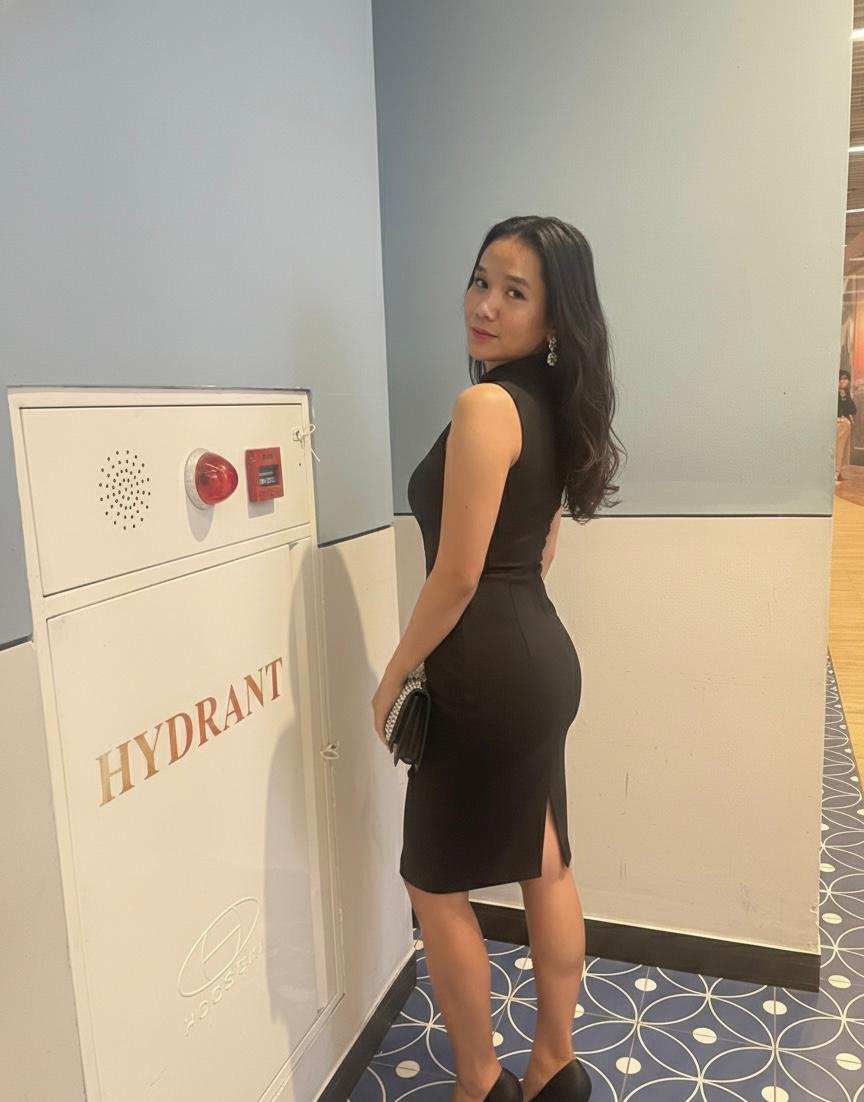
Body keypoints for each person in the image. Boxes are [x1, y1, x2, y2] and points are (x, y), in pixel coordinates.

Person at [372, 215, 625, 1102]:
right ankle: (555, 1066)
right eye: (482, 281)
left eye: (515, 293)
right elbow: (539, 548)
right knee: (545, 862)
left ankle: (480, 1082)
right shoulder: (555, 408)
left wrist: (396, 674)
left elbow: (457, 574)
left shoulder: (485, 406)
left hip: (483, 669)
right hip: (540, 660)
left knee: (432, 882)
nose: (484, 305)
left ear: (554, 317)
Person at [836, 368, 856, 482]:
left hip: (845, 424)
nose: (843, 381)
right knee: (838, 448)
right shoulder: (836, 393)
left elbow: (853, 409)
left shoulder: (845, 393)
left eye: (846, 379)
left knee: (842, 449)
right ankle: (836, 472)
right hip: (839, 424)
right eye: (841, 379)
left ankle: (838, 472)